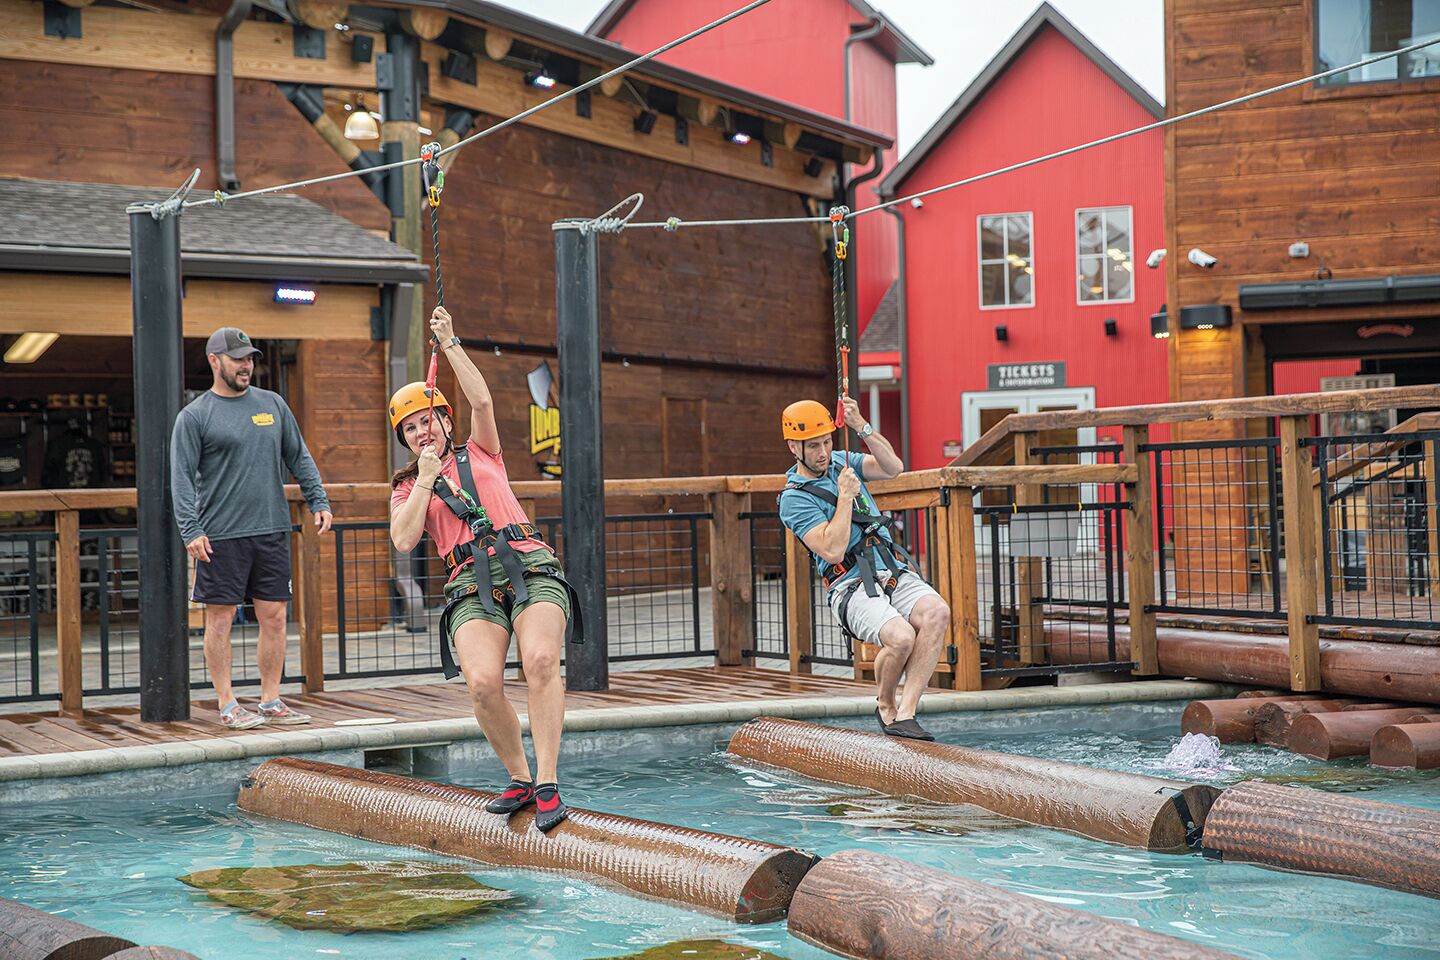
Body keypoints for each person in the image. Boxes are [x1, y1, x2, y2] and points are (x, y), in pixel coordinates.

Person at [389, 306, 576, 833]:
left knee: (540, 660)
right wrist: (426, 478)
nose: (422, 431)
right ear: (404, 440)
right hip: (469, 579)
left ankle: (547, 781)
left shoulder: (482, 451)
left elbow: (483, 399)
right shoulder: (408, 487)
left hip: (527, 563)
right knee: (482, 683)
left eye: (428, 420)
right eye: (411, 428)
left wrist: (449, 343)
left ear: (446, 420)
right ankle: (518, 776)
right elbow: (404, 540)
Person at [171, 327, 333, 730]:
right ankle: (227, 703)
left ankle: (271, 699)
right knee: (220, 619)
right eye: (238, 359)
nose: (246, 366)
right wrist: (190, 530)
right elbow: (180, 478)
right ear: (214, 361)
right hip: (219, 535)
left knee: (275, 617)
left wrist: (319, 500)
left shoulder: (272, 405)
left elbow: (300, 456)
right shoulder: (195, 416)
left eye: (250, 359)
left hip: (272, 529)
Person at [777, 397, 949, 740]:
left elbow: (893, 467)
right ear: (794, 447)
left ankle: (906, 713)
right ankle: (885, 704)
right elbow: (833, 548)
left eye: (827, 441)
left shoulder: (843, 459)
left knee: (937, 612)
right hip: (849, 585)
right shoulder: (794, 498)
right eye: (814, 446)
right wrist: (844, 497)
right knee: (901, 638)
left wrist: (861, 426)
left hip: (889, 567)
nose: (824, 452)